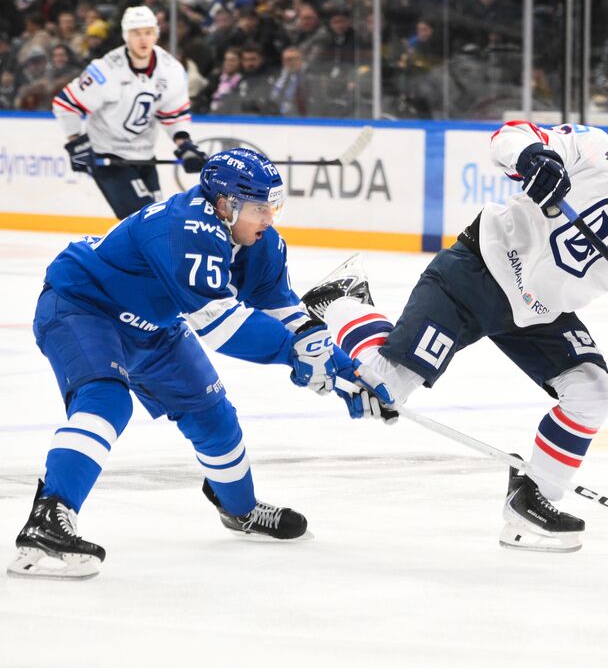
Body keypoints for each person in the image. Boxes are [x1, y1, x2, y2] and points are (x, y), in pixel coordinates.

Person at [304, 124, 608, 553]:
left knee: (592, 391)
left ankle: (529, 500)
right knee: (382, 391)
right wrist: (533, 157)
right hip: (477, 271)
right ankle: (341, 300)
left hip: (538, 314)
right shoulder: (597, 152)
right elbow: (510, 135)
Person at [8, 149, 365, 580]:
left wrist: (345, 368)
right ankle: (49, 517)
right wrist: (293, 355)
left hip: (152, 327)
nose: (269, 218)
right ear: (225, 204)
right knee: (106, 400)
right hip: (84, 306)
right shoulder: (184, 228)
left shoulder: (262, 242)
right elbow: (219, 325)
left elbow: (284, 311)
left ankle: (240, 511)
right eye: (258, 208)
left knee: (213, 415)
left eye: (273, 206)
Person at [52, 6, 206, 218]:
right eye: (136, 33)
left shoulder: (171, 70)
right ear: (126, 36)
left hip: (144, 155)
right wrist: (77, 142)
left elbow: (173, 114)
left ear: (156, 34)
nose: (143, 39)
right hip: (108, 155)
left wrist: (185, 145)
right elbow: (65, 104)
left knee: (157, 218)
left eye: (148, 32)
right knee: (143, 219)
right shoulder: (105, 70)